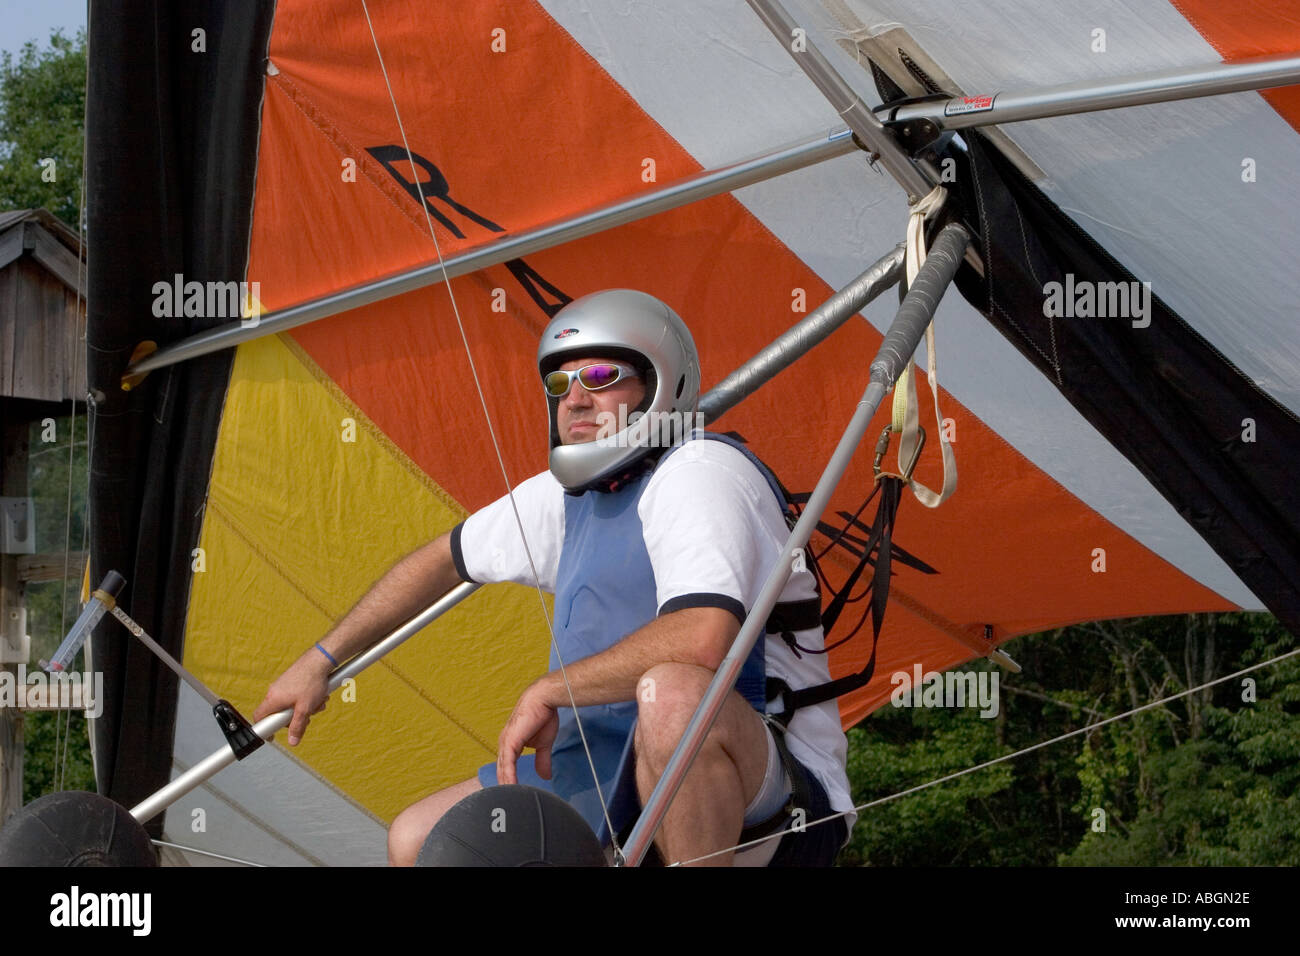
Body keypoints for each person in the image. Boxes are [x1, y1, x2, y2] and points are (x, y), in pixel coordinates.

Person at [254, 289, 853, 866]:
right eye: (560, 384)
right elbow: (438, 562)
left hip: (770, 794)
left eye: (600, 379)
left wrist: (550, 689)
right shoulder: (567, 498)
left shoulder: (700, 469)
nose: (575, 399)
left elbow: (702, 640)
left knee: (671, 696)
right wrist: (322, 658)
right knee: (418, 839)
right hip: (603, 770)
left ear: (659, 385)